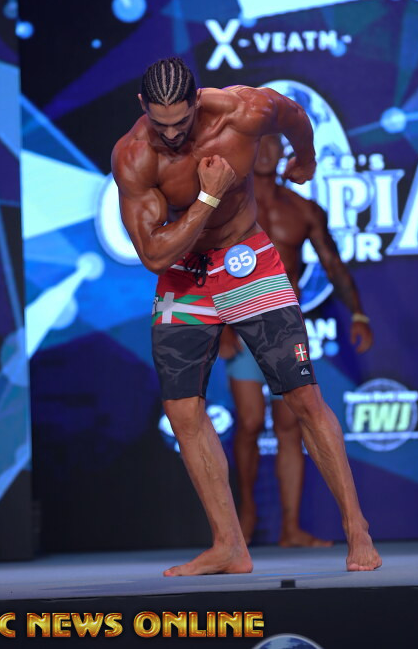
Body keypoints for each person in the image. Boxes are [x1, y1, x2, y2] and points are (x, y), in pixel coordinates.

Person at [112, 56, 381, 576]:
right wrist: (208, 197)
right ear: (143, 106)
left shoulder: (243, 110)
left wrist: (305, 158)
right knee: (182, 411)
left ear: (197, 101)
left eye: (181, 122)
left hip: (247, 260)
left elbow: (293, 113)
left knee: (303, 398)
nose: (172, 135)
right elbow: (155, 256)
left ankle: (357, 528)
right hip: (184, 272)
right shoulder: (134, 155)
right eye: (161, 124)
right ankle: (229, 546)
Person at [221, 133, 373, 547]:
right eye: (261, 146)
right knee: (250, 423)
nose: (267, 153)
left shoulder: (302, 209)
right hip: (241, 321)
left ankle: (290, 527)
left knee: (291, 425)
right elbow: (211, 265)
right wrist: (222, 325)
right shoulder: (231, 207)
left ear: (285, 155)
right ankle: (246, 517)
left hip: (285, 325)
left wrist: (358, 312)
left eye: (275, 146)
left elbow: (333, 264)